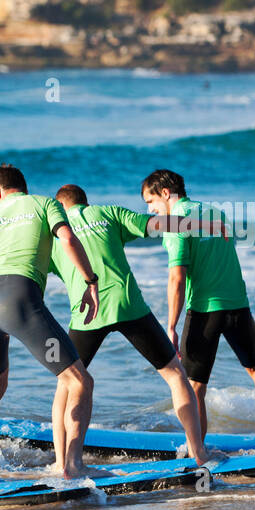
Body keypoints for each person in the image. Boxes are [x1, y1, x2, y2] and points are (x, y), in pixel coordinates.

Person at [51, 184, 212, 465]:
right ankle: (199, 453)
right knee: (175, 375)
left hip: (86, 314)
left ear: (60, 208)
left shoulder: (54, 234)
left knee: (66, 385)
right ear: (85, 202)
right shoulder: (108, 213)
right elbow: (156, 223)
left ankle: (63, 463)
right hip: (128, 306)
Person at [0, 164, 101, 479]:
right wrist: (90, 281)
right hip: (20, 303)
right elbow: (66, 240)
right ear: (19, 187)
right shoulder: (44, 204)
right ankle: (73, 466)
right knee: (79, 381)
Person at [141, 169, 255, 450]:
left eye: (150, 202)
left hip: (204, 311)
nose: (151, 209)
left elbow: (177, 278)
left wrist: (171, 325)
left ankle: (197, 452)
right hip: (238, 306)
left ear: (166, 194)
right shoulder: (215, 213)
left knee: (195, 386)